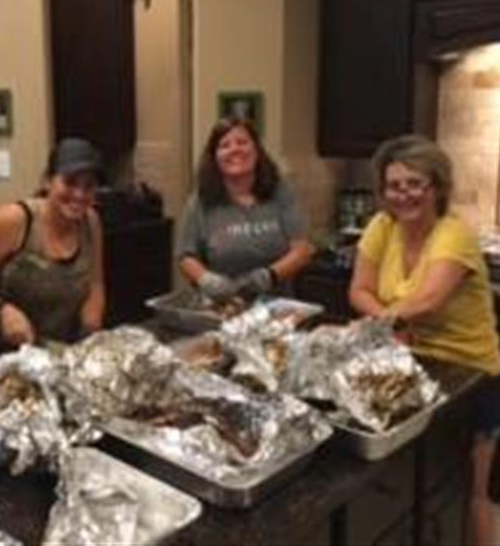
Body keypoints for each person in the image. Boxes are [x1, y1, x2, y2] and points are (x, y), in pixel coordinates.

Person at [349, 134, 500, 546]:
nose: (404, 195)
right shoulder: (383, 226)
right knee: (413, 489)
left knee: (473, 491)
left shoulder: (455, 234)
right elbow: (358, 289)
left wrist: (374, 324)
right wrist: (386, 321)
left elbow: (429, 300)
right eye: (394, 185)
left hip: (471, 375)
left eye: (416, 183)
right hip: (411, 365)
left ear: (437, 187)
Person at [0, 138, 105, 358]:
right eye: (70, 182)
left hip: (47, 356)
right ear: (48, 181)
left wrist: (90, 338)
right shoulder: (15, 221)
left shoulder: (90, 222)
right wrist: (1, 309)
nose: (79, 195)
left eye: (89, 186)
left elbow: (95, 284)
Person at [177, 117, 314, 302]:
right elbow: (186, 256)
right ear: (214, 157)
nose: (235, 149)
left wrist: (269, 276)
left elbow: (303, 250)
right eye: (224, 145)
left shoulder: (281, 192)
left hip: (277, 309)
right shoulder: (201, 201)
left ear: (257, 150)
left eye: (242, 142)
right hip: (222, 308)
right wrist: (207, 280)